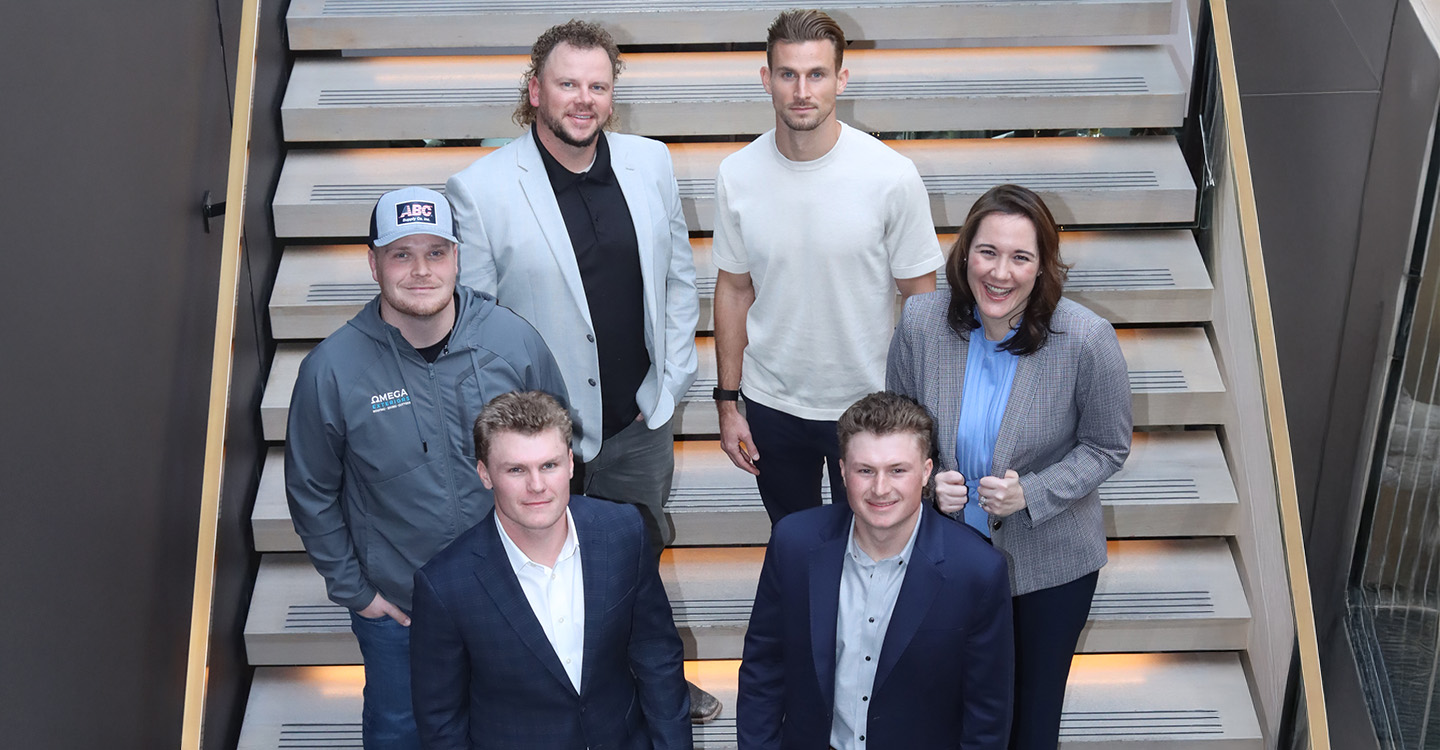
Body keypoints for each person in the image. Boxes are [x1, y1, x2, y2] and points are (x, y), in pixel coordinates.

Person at [445, 19, 718, 721]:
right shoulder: (479, 188)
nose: (583, 99)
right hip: (543, 440)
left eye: (598, 85)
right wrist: (520, 435)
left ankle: (651, 682)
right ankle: (567, 698)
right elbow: (473, 330)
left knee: (636, 564)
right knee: (547, 575)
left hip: (638, 421)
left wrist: (672, 381)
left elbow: (679, 278)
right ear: (535, 89)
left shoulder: (650, 162)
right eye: (568, 83)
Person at [285, 187, 568, 750]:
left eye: (436, 252)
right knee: (401, 734)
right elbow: (311, 493)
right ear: (373, 262)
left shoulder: (512, 342)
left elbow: (559, 458)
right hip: (401, 613)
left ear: (458, 257)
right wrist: (359, 595)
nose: (421, 271)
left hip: (514, 598)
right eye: (401, 254)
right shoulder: (332, 371)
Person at [886, 184, 1133, 749]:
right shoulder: (922, 321)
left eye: (1021, 257)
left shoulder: (1087, 340)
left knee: (1028, 723)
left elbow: (1107, 446)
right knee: (942, 711)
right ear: (965, 254)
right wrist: (926, 481)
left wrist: (1035, 492)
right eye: (988, 252)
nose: (1001, 273)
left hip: (1050, 569)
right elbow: (896, 428)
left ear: (1043, 265)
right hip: (945, 558)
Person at [712, 9, 943, 524]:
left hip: (871, 406)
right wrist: (728, 402)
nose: (801, 90)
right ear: (766, 79)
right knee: (794, 548)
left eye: (816, 74)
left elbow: (922, 301)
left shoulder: (891, 176)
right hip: (772, 405)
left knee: (873, 551)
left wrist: (917, 416)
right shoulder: (736, 174)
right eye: (788, 74)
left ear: (841, 78)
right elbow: (732, 289)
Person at [410, 390, 692, 750]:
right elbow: (441, 723)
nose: (537, 486)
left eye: (549, 465)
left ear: (571, 464)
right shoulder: (445, 586)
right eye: (516, 470)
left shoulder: (623, 531)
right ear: (484, 474)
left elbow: (657, 655)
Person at [736, 391, 1013, 749]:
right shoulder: (793, 544)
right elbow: (763, 669)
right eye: (865, 471)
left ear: (926, 472)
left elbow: (988, 716)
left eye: (897, 470)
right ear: (842, 471)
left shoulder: (978, 570)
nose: (880, 489)